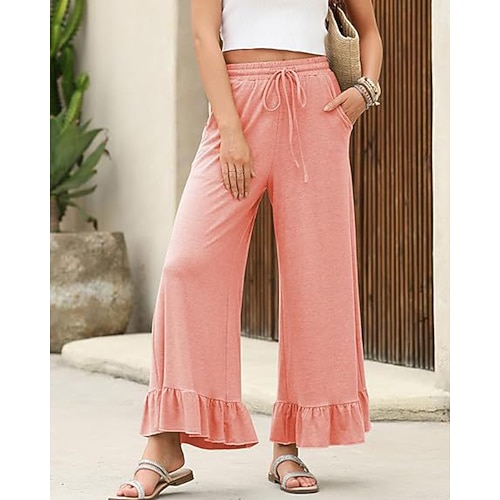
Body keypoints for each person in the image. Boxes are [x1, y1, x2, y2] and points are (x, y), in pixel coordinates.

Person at [109, 0, 383, 498]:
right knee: (187, 265)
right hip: (237, 105)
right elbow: (203, 36)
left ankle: (288, 444)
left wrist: (366, 90)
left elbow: (369, 29)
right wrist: (231, 129)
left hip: (316, 107)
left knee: (316, 276)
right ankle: (165, 444)